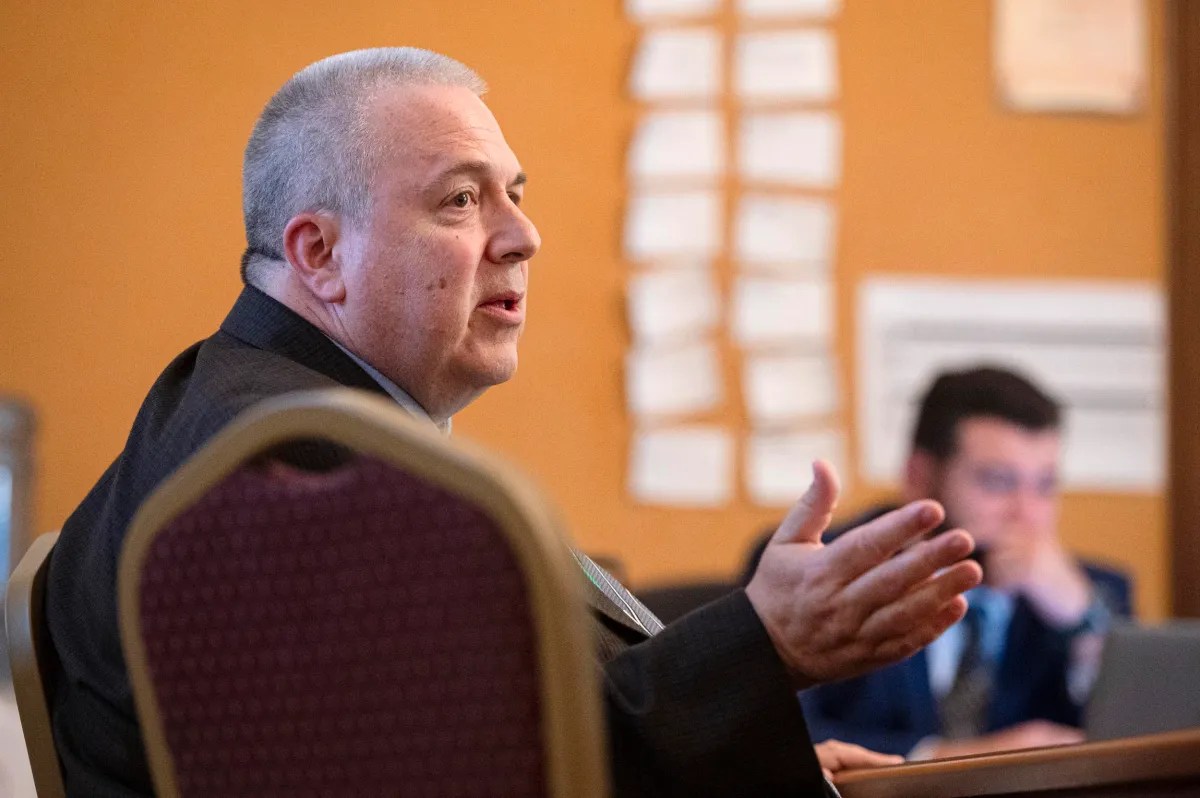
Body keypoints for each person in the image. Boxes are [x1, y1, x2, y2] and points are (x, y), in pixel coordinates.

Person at [43, 48, 982, 797]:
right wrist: (762, 644)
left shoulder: (252, 410)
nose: (522, 234)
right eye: (460, 198)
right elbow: (481, 776)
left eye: (514, 193)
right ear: (319, 254)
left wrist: (740, 767)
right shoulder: (292, 468)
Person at [743, 366, 1132, 759]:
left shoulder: (1096, 595)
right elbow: (771, 741)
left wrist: (1083, 622)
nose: (1028, 515)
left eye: (1045, 486)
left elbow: (1137, 747)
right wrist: (954, 760)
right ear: (919, 477)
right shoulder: (821, 566)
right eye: (997, 481)